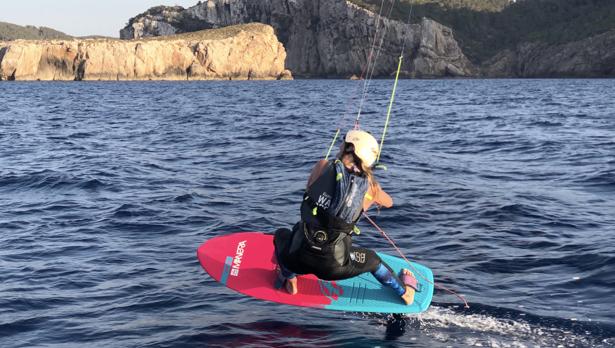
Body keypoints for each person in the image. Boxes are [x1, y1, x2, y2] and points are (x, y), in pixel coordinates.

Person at [273, 129, 417, 305]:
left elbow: (309, 189)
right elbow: (389, 202)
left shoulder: (322, 165)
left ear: (346, 149)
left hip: (296, 258)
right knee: (373, 260)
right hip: (333, 268)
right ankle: (406, 294)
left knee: (281, 234)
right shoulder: (371, 187)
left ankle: (291, 279)